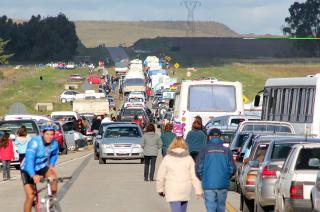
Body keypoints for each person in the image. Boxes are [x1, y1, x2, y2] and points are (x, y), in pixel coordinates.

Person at [156, 137, 202, 212]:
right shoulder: (188, 158)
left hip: (172, 188)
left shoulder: (167, 158)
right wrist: (198, 190)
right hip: (185, 188)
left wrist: (160, 189)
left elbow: (161, 175)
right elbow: (194, 176)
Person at [20, 125, 59, 212]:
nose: (49, 137)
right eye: (47, 134)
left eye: (52, 134)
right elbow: (29, 161)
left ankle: (52, 202)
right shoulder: (34, 143)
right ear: (42, 133)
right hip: (27, 168)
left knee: (54, 178)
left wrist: (52, 165)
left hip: (41, 166)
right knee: (31, 195)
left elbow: (55, 154)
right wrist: (33, 175)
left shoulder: (54, 143)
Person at [196, 128, 236, 212]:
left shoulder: (204, 150)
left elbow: (198, 168)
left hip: (208, 183)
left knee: (210, 207)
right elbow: (232, 168)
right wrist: (226, 176)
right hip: (223, 183)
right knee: (221, 207)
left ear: (210, 137)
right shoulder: (226, 150)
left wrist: (203, 178)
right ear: (220, 137)